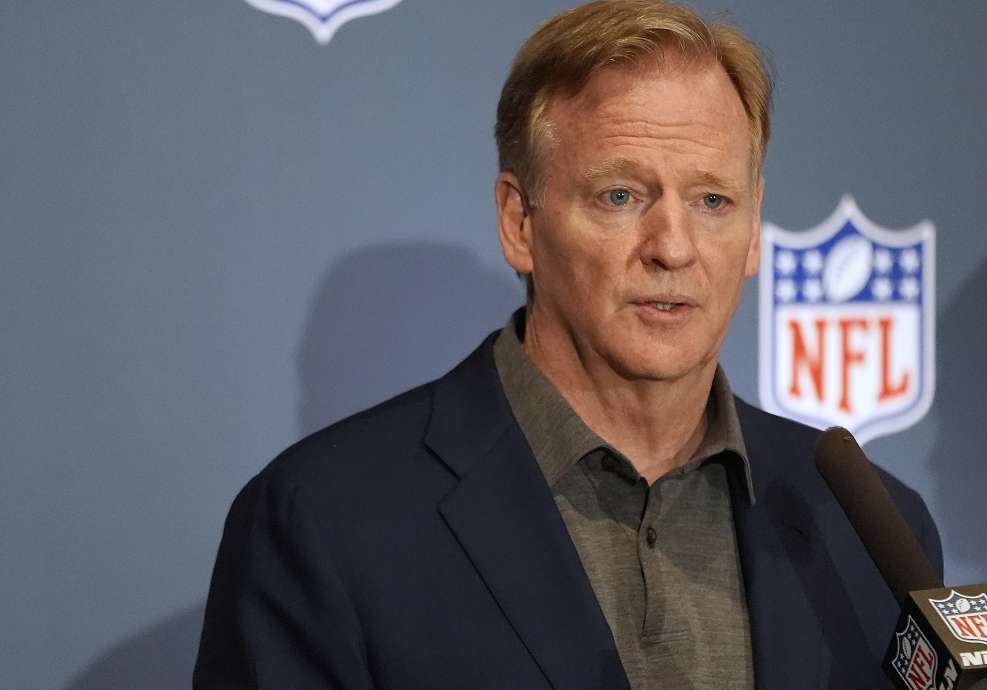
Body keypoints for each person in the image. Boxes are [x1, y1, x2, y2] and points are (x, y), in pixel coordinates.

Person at [193, 2, 941, 688]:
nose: (674, 247)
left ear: (753, 231)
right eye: (621, 196)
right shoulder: (324, 522)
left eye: (713, 201)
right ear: (520, 221)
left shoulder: (873, 531)